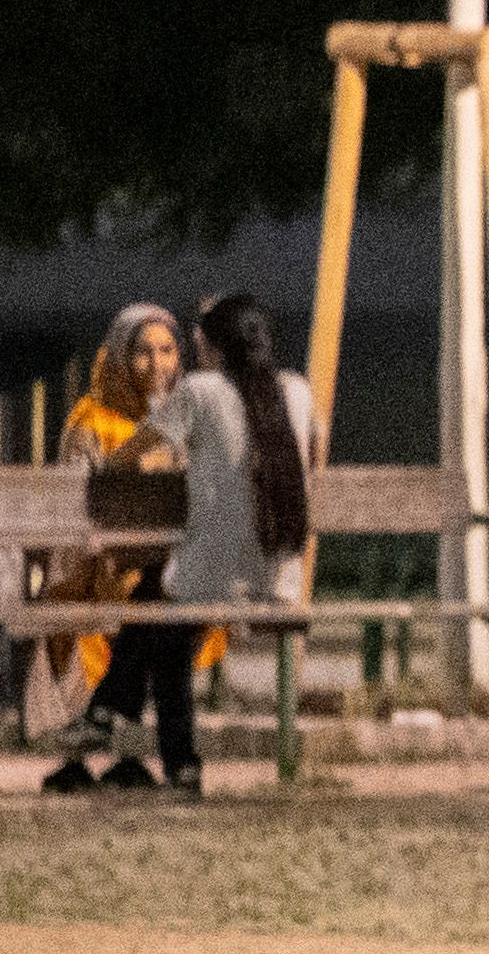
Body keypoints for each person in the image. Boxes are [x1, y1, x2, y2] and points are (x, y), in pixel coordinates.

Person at [72, 293, 313, 799]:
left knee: (160, 621)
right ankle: (125, 727)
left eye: (194, 343)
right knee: (159, 619)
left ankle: (123, 720)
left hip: (213, 575)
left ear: (214, 349)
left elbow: (123, 459)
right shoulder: (296, 390)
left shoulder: (200, 391)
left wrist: (160, 410)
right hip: (281, 576)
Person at [40, 305, 228, 791]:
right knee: (151, 604)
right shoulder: (93, 419)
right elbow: (73, 509)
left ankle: (113, 726)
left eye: (167, 351)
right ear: (120, 358)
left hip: (159, 571)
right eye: (143, 353)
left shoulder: (185, 419)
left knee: (157, 602)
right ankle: (151, 751)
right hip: (102, 569)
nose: (158, 364)